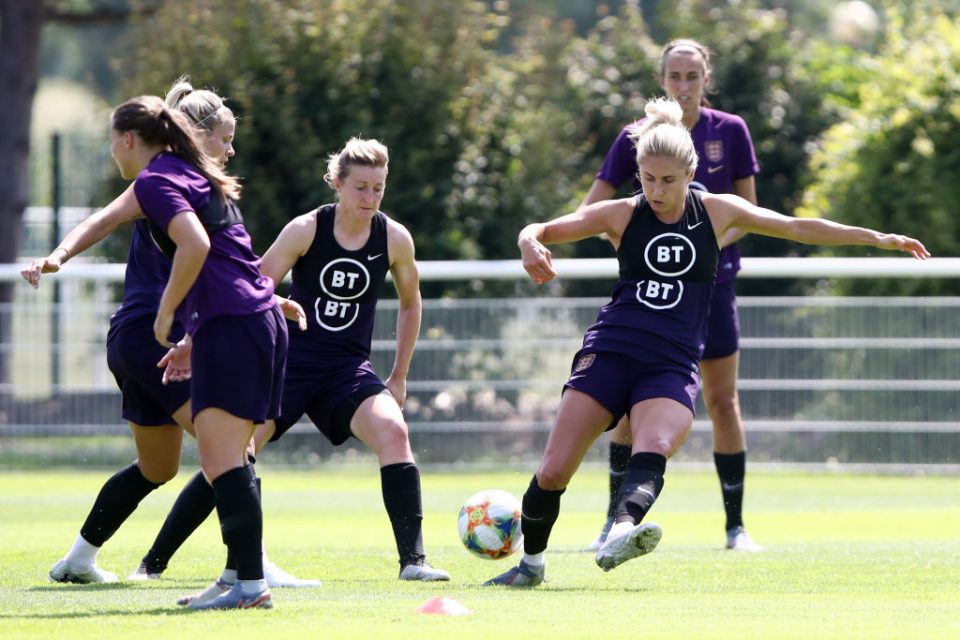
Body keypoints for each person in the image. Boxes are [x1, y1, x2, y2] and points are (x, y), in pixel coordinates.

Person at [483, 96, 928, 587]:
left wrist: (878, 239)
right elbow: (544, 227)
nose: (657, 189)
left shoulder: (717, 212)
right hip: (610, 351)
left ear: (691, 172)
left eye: (668, 180)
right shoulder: (621, 215)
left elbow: (798, 228)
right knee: (552, 472)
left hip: (670, 364)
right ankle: (530, 566)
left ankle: (622, 531)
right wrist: (530, 242)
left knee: (656, 443)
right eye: (648, 179)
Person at [28, 79, 317, 593]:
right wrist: (62, 257)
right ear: (189, 133)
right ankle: (250, 568)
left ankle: (78, 559)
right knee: (234, 451)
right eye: (224, 138)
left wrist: (265, 295)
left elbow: (225, 265)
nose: (230, 150)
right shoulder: (166, 186)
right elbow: (181, 245)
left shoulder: (187, 184)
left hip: (149, 340)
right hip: (156, 339)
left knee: (158, 466)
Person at [155, 136, 449, 607]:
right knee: (236, 453)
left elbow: (411, 303)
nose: (370, 198)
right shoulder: (305, 229)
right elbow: (250, 288)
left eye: (378, 188)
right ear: (337, 183)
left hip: (346, 370)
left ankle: (413, 561)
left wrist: (398, 376)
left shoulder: (394, 238)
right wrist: (192, 341)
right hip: (289, 363)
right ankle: (156, 561)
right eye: (360, 188)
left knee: (394, 432)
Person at [580, 39, 763, 552]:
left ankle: (735, 527)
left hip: (713, 290)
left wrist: (697, 250)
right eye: (675, 77)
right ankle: (613, 523)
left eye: (693, 76)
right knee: (630, 410)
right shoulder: (634, 137)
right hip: (650, 303)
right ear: (661, 80)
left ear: (707, 80)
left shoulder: (731, 131)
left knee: (723, 402)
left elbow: (751, 212)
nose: (683, 86)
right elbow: (591, 208)